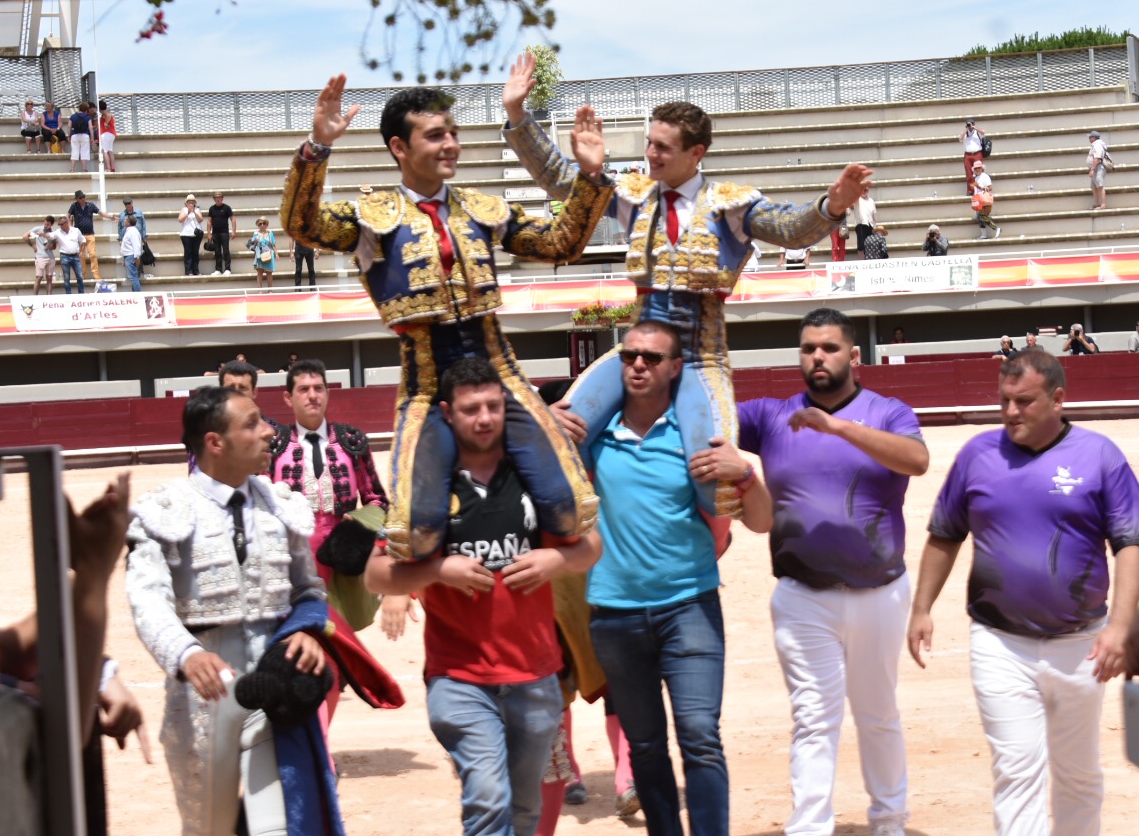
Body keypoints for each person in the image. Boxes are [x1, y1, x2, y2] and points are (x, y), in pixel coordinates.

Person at [504, 49, 869, 526]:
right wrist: (517, 115)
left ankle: (698, 551)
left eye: (662, 147)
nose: (650, 154)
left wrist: (832, 207)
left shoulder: (730, 205)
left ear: (696, 153)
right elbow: (560, 183)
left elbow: (789, 229)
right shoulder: (633, 195)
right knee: (563, 432)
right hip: (636, 353)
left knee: (711, 476)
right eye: (650, 143)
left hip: (700, 359)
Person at [281, 70, 611, 562]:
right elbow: (302, 224)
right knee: (419, 530)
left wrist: (589, 179)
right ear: (399, 146)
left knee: (568, 507)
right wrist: (317, 148)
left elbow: (560, 242)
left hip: (499, 374)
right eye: (436, 135)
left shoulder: (480, 207)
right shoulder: (374, 214)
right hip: (427, 385)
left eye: (453, 132)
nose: (451, 144)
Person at [906, 349, 1139, 836]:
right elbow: (945, 534)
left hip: (1082, 644)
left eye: (1024, 401)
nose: (1010, 412)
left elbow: (1131, 543)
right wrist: (922, 608)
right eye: (1004, 401)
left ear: (1058, 398)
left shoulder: (1099, 455)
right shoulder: (977, 455)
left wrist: (1122, 628)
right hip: (1000, 643)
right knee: (1016, 771)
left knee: (1078, 774)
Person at [366, 357, 603, 836]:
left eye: (494, 406)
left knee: (524, 811)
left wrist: (555, 560)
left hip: (536, 675)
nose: (485, 418)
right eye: (472, 409)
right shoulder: (427, 488)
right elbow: (375, 574)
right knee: (490, 799)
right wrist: (437, 569)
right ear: (449, 414)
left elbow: (592, 546)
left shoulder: (536, 479)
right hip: (460, 677)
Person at [555, 319, 771, 836]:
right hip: (614, 613)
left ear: (675, 368)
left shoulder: (698, 435)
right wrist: (547, 427)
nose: (637, 365)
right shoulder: (594, 436)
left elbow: (761, 521)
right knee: (646, 742)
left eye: (651, 358)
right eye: (629, 355)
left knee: (700, 736)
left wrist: (743, 472)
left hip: (689, 607)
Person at [737, 308, 928, 836]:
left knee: (878, 713)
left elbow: (916, 460)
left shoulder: (887, 412)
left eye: (829, 348)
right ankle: (809, 827)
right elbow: (704, 417)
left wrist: (836, 427)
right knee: (813, 719)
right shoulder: (770, 415)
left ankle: (889, 821)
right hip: (803, 595)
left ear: (854, 356)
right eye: (808, 349)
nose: (817, 357)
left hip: (880, 591)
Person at [126, 386, 334, 836]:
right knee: (209, 827)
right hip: (203, 688)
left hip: (272, 678)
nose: (268, 431)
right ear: (215, 443)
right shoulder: (164, 510)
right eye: (253, 423)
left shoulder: (282, 504)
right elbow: (147, 597)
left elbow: (310, 591)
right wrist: (185, 653)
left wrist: (307, 631)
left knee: (278, 826)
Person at [268, 357, 388, 621]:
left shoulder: (351, 441)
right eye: (304, 389)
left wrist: (359, 523)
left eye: (318, 388)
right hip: (292, 558)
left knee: (340, 632)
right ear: (288, 398)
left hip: (339, 556)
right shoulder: (273, 446)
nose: (312, 396)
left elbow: (378, 500)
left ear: (327, 393)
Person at [69, 190, 103, 283]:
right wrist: (70, 227)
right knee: (82, 256)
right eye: (80, 198)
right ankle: (83, 275)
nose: (83, 199)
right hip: (79, 236)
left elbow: (100, 212)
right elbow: (68, 215)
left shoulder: (90, 205)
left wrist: (110, 217)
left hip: (90, 233)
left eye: (83, 197)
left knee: (93, 254)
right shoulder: (74, 206)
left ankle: (96, 275)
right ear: (77, 199)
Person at [24, 215, 61, 295]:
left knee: (49, 278)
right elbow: (25, 236)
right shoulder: (37, 229)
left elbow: (54, 247)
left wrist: (50, 246)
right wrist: (33, 246)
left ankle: (48, 297)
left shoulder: (53, 233)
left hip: (50, 257)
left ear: (52, 224)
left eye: (48, 224)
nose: (46, 226)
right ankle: (35, 297)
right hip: (40, 256)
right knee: (39, 277)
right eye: (45, 224)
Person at [971, 160, 1002, 239]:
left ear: (982, 168)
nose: (977, 170)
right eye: (976, 168)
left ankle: (996, 228)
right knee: (979, 217)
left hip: (985, 200)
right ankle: (984, 234)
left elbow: (990, 187)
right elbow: (973, 188)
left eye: (979, 168)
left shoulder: (985, 176)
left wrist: (983, 188)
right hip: (979, 201)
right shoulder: (976, 178)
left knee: (982, 216)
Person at [55, 213, 85, 295]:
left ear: (66, 223)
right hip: (64, 256)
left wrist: (82, 251)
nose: (60, 226)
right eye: (59, 224)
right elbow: (50, 236)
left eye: (61, 224)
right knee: (66, 277)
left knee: (79, 276)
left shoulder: (75, 230)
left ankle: (81, 294)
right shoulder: (58, 232)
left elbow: (83, 240)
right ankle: (68, 294)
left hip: (75, 255)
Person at [207, 191, 235, 275]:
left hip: (224, 233)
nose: (218, 199)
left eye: (219, 197)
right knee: (217, 251)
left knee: (226, 251)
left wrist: (234, 231)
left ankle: (227, 269)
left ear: (222, 198)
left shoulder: (226, 208)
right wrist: (209, 233)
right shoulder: (212, 208)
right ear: (214, 199)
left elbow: (233, 219)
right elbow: (209, 221)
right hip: (215, 233)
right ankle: (218, 269)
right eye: (216, 198)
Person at [247, 216, 278, 292]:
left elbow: (273, 244)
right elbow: (250, 244)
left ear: (266, 225)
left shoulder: (270, 233)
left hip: (268, 253)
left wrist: (276, 254)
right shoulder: (256, 234)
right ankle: (259, 290)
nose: (262, 225)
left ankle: (270, 290)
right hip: (259, 254)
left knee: (269, 272)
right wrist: (254, 241)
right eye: (260, 224)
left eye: (264, 223)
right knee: (260, 272)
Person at [178, 194, 204, 276]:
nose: (191, 203)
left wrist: (195, 212)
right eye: (189, 202)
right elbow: (180, 220)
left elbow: (201, 219)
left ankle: (196, 270)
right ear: (186, 203)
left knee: (195, 252)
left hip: (196, 235)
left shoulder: (197, 210)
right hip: (186, 234)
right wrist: (188, 212)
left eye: (192, 202)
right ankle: (188, 271)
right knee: (188, 252)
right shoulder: (184, 210)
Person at [960, 119, 985, 194]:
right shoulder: (965, 133)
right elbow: (960, 138)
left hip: (977, 153)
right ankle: (971, 190)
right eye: (968, 124)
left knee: (979, 172)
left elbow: (983, 133)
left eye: (971, 124)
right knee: (969, 174)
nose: (970, 126)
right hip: (968, 155)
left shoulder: (977, 132)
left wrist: (974, 127)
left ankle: (980, 189)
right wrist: (966, 130)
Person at [1086, 131, 1110, 210]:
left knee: (1099, 186)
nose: (1089, 139)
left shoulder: (1098, 145)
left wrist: (1092, 169)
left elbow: (1097, 158)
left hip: (1098, 168)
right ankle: (1097, 204)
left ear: (1094, 138)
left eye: (1090, 137)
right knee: (1094, 187)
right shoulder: (1095, 145)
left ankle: (1103, 205)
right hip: (1096, 167)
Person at [69, 103, 95, 173]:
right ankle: (84, 169)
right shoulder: (87, 117)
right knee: (85, 152)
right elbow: (90, 128)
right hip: (85, 135)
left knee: (74, 151)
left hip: (74, 135)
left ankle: (72, 169)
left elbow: (69, 126)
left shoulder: (73, 116)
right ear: (86, 109)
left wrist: (69, 135)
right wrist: (92, 137)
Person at [853, 191, 879, 259]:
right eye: (862, 190)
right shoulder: (857, 199)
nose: (863, 192)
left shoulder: (871, 201)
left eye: (865, 190)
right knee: (861, 245)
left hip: (870, 224)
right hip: (861, 224)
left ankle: (869, 259)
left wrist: (875, 226)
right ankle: (861, 261)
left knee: (870, 244)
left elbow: (874, 214)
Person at [121, 220, 143, 293]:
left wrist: (137, 257)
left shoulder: (132, 232)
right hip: (129, 256)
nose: (124, 222)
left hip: (131, 256)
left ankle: (137, 294)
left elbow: (136, 245)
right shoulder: (130, 231)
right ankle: (135, 293)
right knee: (133, 276)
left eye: (126, 220)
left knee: (133, 276)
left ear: (128, 223)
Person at [98, 101, 118, 172]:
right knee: (110, 151)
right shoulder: (109, 114)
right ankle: (113, 168)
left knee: (105, 151)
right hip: (112, 134)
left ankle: (108, 168)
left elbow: (108, 115)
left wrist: (105, 123)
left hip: (106, 134)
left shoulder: (105, 113)